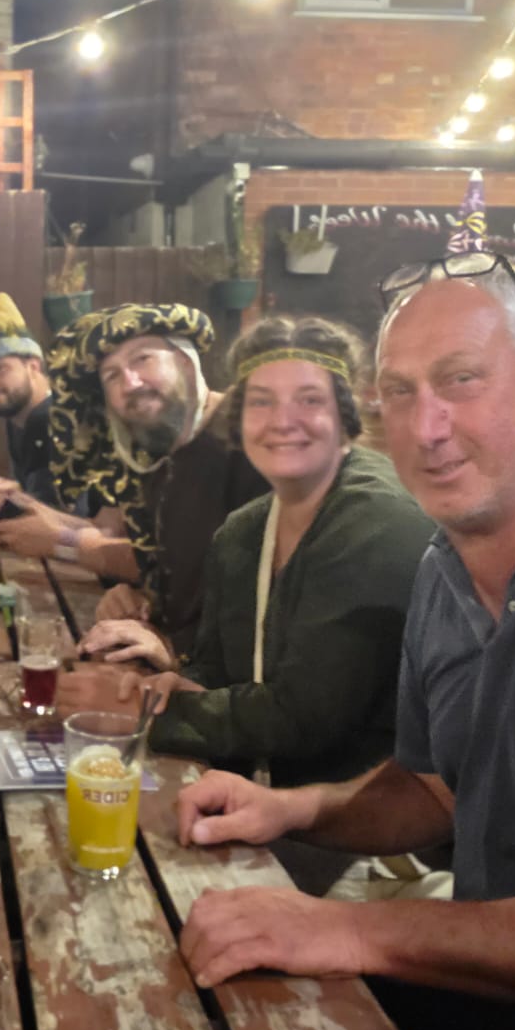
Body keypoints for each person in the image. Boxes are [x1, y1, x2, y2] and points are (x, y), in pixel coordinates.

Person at [175, 254, 515, 1030]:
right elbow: (434, 790)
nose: (426, 427)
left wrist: (351, 930)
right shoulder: (444, 563)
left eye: (461, 380)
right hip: (491, 983)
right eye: (400, 392)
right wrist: (291, 809)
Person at [59, 316, 432, 792]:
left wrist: (143, 712)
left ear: (346, 414)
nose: (282, 421)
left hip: (360, 814)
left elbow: (306, 716)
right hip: (253, 795)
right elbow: (216, 668)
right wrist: (175, 684)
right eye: (261, 401)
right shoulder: (243, 530)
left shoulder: (374, 521)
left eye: (309, 400)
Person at [25, 303, 267, 664]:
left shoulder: (250, 437)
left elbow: (263, 609)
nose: (130, 383)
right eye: (112, 376)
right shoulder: (154, 456)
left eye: (143, 359)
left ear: (185, 363)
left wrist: (170, 650)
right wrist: (141, 598)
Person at [0, 293, 62, 509]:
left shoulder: (55, 418)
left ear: (33, 367)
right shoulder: (18, 417)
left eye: (0, 369)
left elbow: (54, 517)